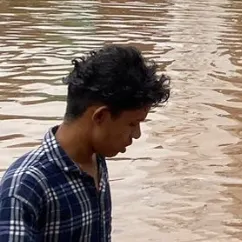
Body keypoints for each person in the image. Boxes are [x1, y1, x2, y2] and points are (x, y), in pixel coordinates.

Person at [0, 45, 170, 239]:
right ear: (100, 117)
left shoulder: (96, 161)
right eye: (132, 123)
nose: (137, 134)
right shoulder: (25, 187)